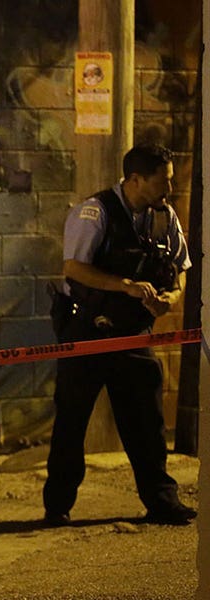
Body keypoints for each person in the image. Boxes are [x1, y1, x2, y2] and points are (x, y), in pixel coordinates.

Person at [45, 143, 197, 527]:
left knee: (147, 424)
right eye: (162, 181)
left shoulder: (164, 218)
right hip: (88, 331)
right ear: (134, 180)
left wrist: (169, 299)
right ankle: (58, 505)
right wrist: (125, 285)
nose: (169, 189)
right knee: (71, 423)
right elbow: (74, 269)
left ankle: (162, 502)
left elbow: (179, 270)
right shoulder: (94, 213)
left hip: (134, 336)